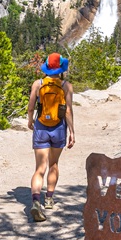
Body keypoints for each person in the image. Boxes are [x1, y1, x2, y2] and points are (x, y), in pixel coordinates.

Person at [27, 52, 75, 221]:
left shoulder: (38, 84)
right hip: (58, 128)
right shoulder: (66, 86)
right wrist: (72, 132)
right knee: (53, 164)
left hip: (41, 127)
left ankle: (35, 201)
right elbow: (68, 110)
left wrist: (30, 121)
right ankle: (48, 198)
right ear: (61, 69)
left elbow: (31, 106)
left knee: (40, 168)